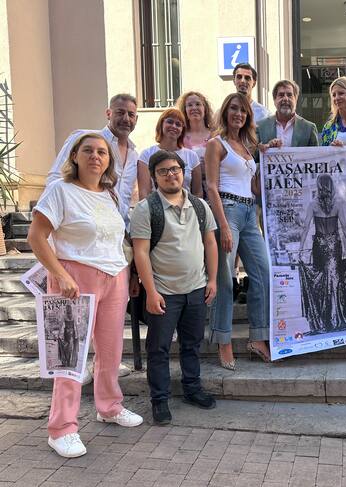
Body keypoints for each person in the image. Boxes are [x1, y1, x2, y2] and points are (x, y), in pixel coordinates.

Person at [28, 133, 143, 458]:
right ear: (75, 156)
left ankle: (109, 406)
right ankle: (61, 429)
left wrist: (127, 274)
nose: (96, 156)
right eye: (88, 150)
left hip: (114, 277)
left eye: (102, 152)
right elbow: (36, 236)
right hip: (74, 279)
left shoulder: (109, 195)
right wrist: (60, 274)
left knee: (110, 350)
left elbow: (114, 239)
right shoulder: (60, 191)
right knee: (68, 356)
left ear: (108, 161)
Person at [131, 150, 219, 425]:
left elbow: (210, 243)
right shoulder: (146, 209)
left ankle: (192, 389)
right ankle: (159, 400)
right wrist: (151, 291)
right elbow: (140, 252)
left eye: (175, 169)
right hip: (163, 293)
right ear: (154, 177)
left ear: (184, 172)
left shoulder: (200, 206)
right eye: (163, 171)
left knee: (192, 344)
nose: (171, 175)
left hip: (196, 289)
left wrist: (212, 280)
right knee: (158, 349)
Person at [205, 93, 271, 369]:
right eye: (234, 109)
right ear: (225, 111)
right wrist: (223, 226)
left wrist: (269, 157)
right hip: (228, 210)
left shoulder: (247, 146)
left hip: (249, 212)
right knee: (225, 279)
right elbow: (211, 186)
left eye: (243, 111)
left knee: (263, 272)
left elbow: (253, 188)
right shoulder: (216, 144)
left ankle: (258, 337)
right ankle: (223, 340)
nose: (238, 114)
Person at [46, 94, 139, 226]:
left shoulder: (134, 155)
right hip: (82, 225)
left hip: (118, 228)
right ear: (108, 114)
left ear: (136, 119)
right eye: (120, 112)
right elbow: (56, 177)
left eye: (131, 114)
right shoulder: (83, 139)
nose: (126, 119)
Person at [298, 174, 346, 334]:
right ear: (331, 186)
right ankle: (339, 317)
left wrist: (300, 248)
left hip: (319, 246)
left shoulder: (313, 205)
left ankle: (325, 319)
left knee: (322, 280)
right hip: (334, 245)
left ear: (319, 187)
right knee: (335, 279)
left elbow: (305, 227)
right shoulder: (338, 204)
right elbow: (345, 227)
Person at [136, 108, 202, 199]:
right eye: (170, 122)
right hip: (156, 206)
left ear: (182, 130)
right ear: (161, 124)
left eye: (178, 124)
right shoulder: (146, 154)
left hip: (187, 206)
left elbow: (198, 192)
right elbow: (144, 192)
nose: (174, 126)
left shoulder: (192, 156)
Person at [177, 91, 217, 199]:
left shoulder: (215, 135)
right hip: (185, 192)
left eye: (198, 104)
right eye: (189, 105)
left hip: (213, 191)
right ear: (185, 110)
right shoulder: (179, 137)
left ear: (205, 108)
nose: (194, 108)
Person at [257, 80, 319, 149]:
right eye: (281, 95)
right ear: (274, 100)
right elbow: (253, 154)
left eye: (289, 95)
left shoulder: (309, 128)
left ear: (296, 99)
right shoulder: (260, 127)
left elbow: (316, 155)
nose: (285, 99)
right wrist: (265, 148)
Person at [58, 304, 79, 368]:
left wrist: (59, 334)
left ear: (67, 309)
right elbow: (76, 326)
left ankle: (67, 361)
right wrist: (77, 334)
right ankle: (69, 362)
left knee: (66, 347)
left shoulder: (64, 316)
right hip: (72, 333)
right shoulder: (73, 316)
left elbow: (61, 325)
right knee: (71, 347)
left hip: (67, 333)